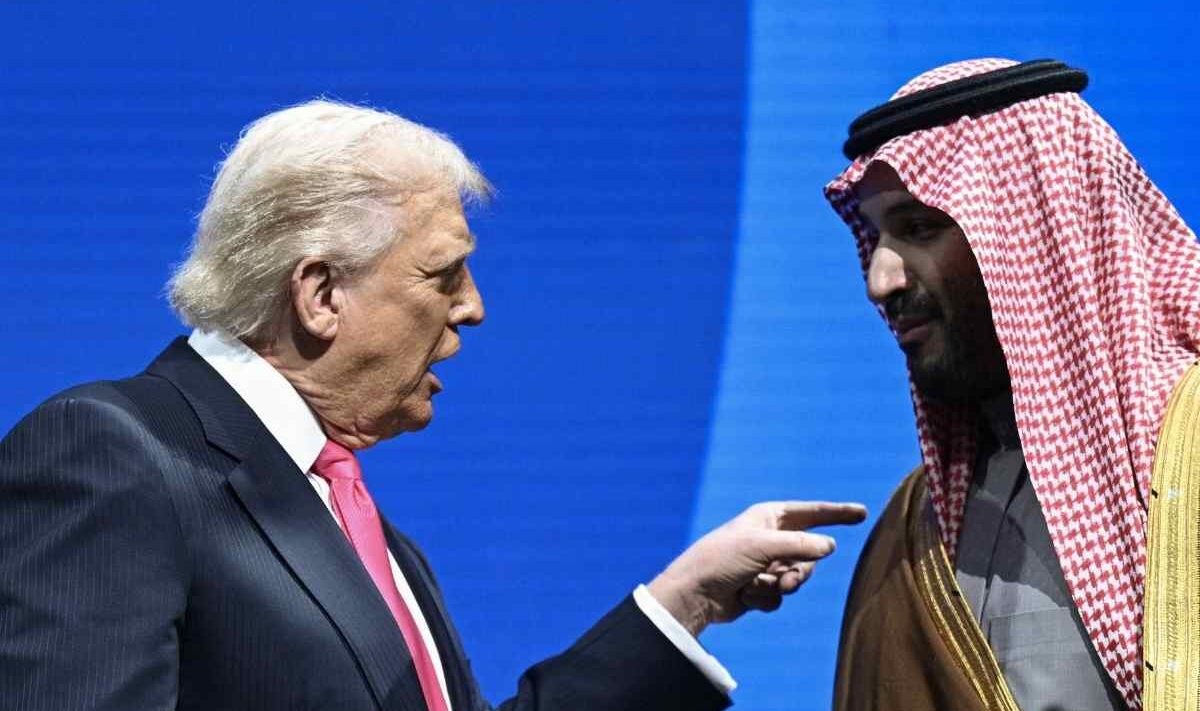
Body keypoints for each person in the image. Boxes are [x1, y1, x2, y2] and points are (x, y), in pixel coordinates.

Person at [0, 100, 866, 711]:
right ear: (321, 294)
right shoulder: (112, 455)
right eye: (443, 274)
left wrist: (684, 601)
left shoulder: (364, 529)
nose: (472, 307)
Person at [824, 58, 1200, 711]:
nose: (880, 281)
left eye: (920, 228)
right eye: (875, 236)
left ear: (1039, 229)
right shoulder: (907, 535)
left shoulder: (1187, 460)